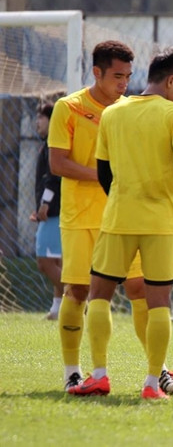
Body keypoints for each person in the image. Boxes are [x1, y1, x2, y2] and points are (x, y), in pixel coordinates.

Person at [67, 48, 173, 399]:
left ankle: (99, 375)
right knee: (158, 303)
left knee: (99, 295)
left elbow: (104, 173)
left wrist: (121, 199)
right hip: (161, 223)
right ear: (172, 80)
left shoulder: (113, 113)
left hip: (118, 218)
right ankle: (150, 383)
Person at [48, 41, 173, 396]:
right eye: (116, 76)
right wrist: (112, 178)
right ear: (97, 73)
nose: (123, 83)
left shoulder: (133, 109)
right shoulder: (69, 107)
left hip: (128, 216)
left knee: (141, 289)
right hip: (82, 216)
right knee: (79, 290)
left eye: (128, 76)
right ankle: (73, 372)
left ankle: (158, 371)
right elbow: (57, 163)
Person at [29, 102, 63, 320]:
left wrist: (45, 204)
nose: (37, 122)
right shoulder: (47, 144)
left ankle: (78, 298)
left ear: (53, 121)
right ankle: (57, 308)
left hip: (54, 211)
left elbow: (53, 177)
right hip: (54, 210)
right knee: (57, 261)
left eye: (41, 118)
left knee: (44, 262)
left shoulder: (53, 144)